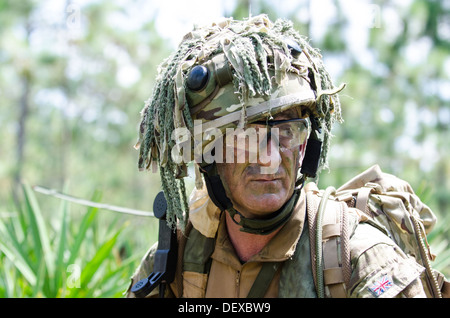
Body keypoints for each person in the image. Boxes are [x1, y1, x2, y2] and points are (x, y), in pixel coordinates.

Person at [126, 14, 446, 298]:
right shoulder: (174, 262)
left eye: (287, 133)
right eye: (246, 138)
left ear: (307, 145)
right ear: (209, 154)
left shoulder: (359, 262)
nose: (271, 160)